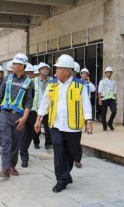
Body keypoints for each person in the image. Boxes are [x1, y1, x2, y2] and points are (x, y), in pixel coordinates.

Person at [35, 54, 93, 193]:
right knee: (59, 152)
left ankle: (65, 174)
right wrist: (39, 118)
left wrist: (88, 121)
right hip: (55, 125)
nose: (55, 71)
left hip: (73, 127)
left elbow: (86, 103)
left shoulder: (79, 85)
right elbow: (45, 102)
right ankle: (61, 180)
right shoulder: (52, 84)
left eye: (58, 68)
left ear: (67, 71)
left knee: (71, 153)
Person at [0, 53, 34, 178]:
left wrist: (24, 118)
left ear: (22, 66)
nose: (13, 66)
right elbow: (0, 95)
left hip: (18, 118)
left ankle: (12, 166)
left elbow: (29, 102)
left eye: (16, 64)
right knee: (6, 142)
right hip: (4, 115)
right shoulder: (7, 78)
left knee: (16, 143)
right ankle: (5, 169)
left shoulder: (29, 82)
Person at [33, 62, 52, 150]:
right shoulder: (34, 81)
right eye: (43, 69)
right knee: (37, 125)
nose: (45, 70)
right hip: (37, 106)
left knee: (48, 126)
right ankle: (36, 142)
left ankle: (48, 143)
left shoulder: (52, 81)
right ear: (39, 71)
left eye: (46, 69)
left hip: (48, 107)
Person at [98, 66, 117, 131]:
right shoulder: (102, 81)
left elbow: (115, 91)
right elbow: (99, 91)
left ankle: (110, 123)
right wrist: (99, 99)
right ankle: (104, 125)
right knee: (104, 113)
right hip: (104, 99)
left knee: (114, 111)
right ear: (105, 73)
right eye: (108, 73)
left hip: (112, 98)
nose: (109, 74)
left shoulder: (113, 82)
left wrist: (116, 99)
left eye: (110, 73)